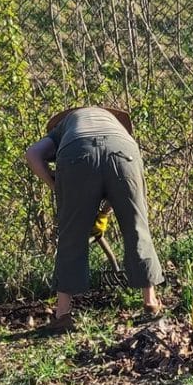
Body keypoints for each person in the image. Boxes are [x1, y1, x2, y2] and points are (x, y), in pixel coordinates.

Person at [23, 106, 162, 332]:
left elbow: (32, 154)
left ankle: (63, 314)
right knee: (136, 226)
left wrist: (56, 186)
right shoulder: (118, 127)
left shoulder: (64, 127)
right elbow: (117, 178)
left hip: (77, 154)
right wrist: (105, 212)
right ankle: (150, 302)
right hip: (123, 152)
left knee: (71, 235)